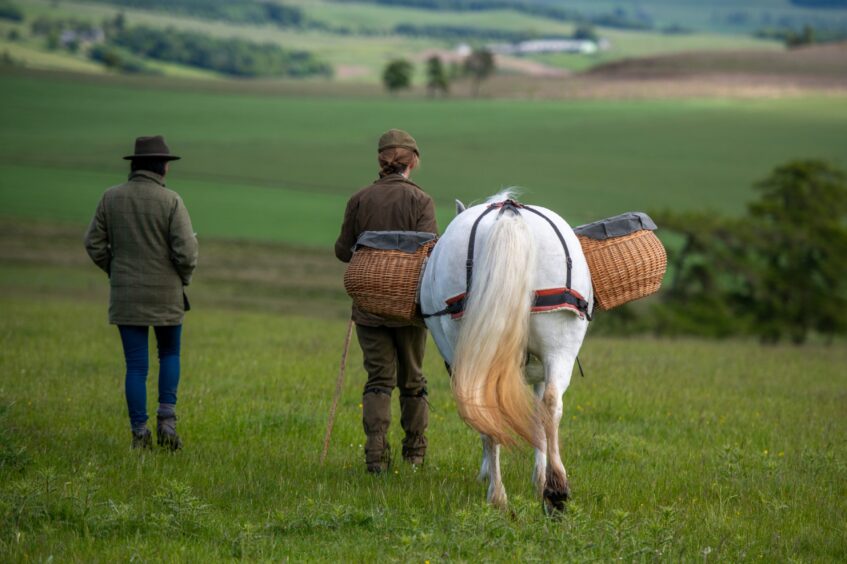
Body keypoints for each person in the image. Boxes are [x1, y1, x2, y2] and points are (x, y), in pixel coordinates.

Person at [84, 135, 198, 450]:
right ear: (162, 166)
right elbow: (187, 253)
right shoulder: (172, 200)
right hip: (167, 294)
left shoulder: (110, 198)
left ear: (135, 165)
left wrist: (115, 269)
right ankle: (167, 423)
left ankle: (139, 433)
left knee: (135, 364)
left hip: (125, 294)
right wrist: (181, 278)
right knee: (170, 354)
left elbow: (93, 243)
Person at [335, 129, 438, 473]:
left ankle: (375, 457)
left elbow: (342, 251)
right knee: (413, 381)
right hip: (409, 308)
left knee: (378, 380)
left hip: (368, 309)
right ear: (412, 162)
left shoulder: (359, 199)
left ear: (381, 161)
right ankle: (415, 455)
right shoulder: (421, 201)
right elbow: (431, 254)